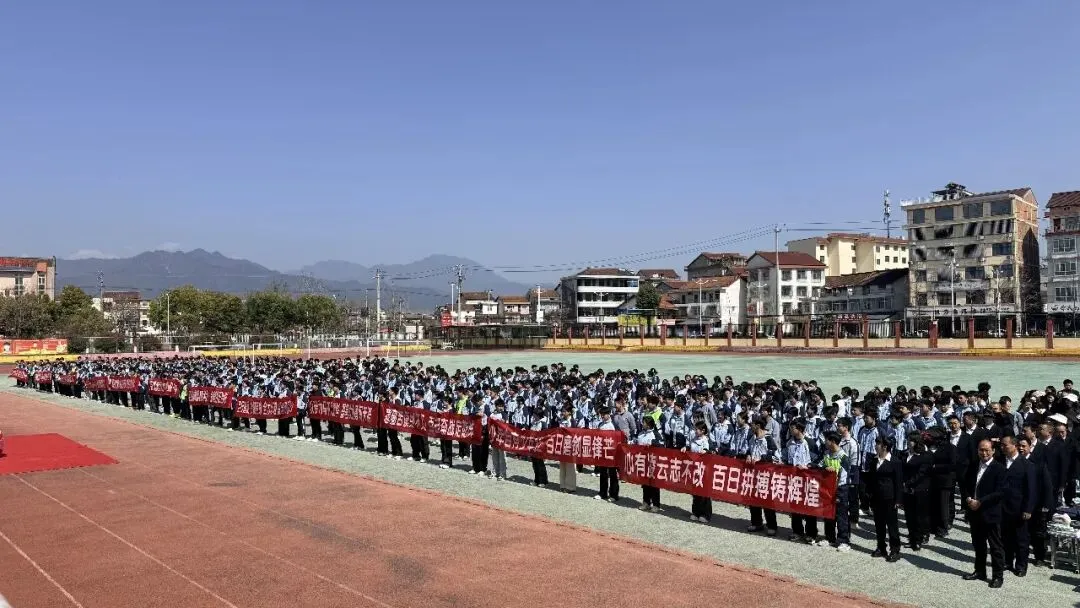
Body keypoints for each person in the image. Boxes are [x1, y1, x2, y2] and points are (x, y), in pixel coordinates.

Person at [964, 439, 1006, 588]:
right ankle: (980, 571)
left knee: (995, 547)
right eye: (981, 450)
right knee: (978, 544)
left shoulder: (999, 468)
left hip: (990, 512)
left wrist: (980, 502)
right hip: (974, 512)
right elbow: (966, 484)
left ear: (993, 451)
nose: (984, 453)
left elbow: (1000, 492)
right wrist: (968, 498)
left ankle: (997, 576)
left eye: (987, 450)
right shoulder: (974, 465)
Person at [998, 435, 1035, 577]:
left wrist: (1028, 509)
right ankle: (1007, 561)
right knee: (1005, 537)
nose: (1002, 448)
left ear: (1014, 445)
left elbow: (1031, 489)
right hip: (1002, 507)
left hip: (1019, 508)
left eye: (1005, 445)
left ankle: (1021, 565)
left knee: (1021, 539)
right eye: (1001, 445)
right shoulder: (1000, 462)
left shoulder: (1026, 465)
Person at [870, 435, 902, 562]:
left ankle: (895, 549)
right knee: (879, 524)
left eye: (878, 444)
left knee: (892, 525)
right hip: (877, 497)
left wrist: (898, 500)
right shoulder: (874, 460)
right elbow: (872, 479)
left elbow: (898, 482)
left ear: (884, 447)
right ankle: (881, 547)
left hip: (890, 498)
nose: (875, 446)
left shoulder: (895, 461)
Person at [746, 416, 779, 536]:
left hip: (766, 475)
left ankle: (772, 526)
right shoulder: (752, 438)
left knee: (767, 500)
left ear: (758, 426)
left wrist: (761, 459)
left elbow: (776, 456)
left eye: (752, 424)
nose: (751, 426)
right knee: (753, 499)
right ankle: (757, 523)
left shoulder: (768, 439)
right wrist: (748, 455)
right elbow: (749, 450)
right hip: (753, 474)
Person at [820, 431, 852, 551]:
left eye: (827, 440)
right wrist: (825, 468)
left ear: (832, 441)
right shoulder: (827, 454)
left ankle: (844, 541)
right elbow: (819, 465)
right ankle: (830, 538)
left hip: (840, 490)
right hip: (827, 490)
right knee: (828, 514)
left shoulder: (843, 457)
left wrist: (837, 489)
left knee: (841, 516)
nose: (825, 442)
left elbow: (845, 477)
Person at [902, 431, 932, 551]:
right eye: (908, 440)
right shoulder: (905, 454)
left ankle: (919, 539)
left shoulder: (924, 456)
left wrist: (908, 483)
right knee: (909, 516)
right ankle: (912, 538)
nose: (908, 442)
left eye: (911, 440)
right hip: (907, 490)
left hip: (920, 489)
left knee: (919, 516)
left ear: (916, 442)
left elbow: (921, 473)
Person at [635, 415, 663, 510]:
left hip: (653, 462)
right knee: (645, 483)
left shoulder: (655, 434)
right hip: (643, 462)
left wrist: (652, 442)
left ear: (648, 424)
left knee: (654, 484)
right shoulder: (640, 433)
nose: (642, 424)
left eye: (644, 422)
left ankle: (656, 504)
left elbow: (662, 444)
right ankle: (646, 502)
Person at [686, 421, 712, 523]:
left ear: (703, 430)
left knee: (704, 492)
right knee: (695, 491)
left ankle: (705, 514)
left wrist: (706, 451)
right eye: (695, 429)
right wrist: (685, 448)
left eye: (697, 429)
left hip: (704, 469)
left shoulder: (707, 440)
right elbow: (690, 448)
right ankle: (696, 512)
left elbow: (711, 451)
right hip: (694, 468)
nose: (695, 431)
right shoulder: (693, 439)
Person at [595, 405, 620, 502]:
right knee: (603, 473)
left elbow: (618, 439)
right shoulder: (600, 425)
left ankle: (614, 494)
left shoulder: (614, 425)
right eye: (601, 414)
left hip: (612, 453)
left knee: (613, 474)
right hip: (602, 452)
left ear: (609, 414)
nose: (602, 416)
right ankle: (603, 493)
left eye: (604, 414)